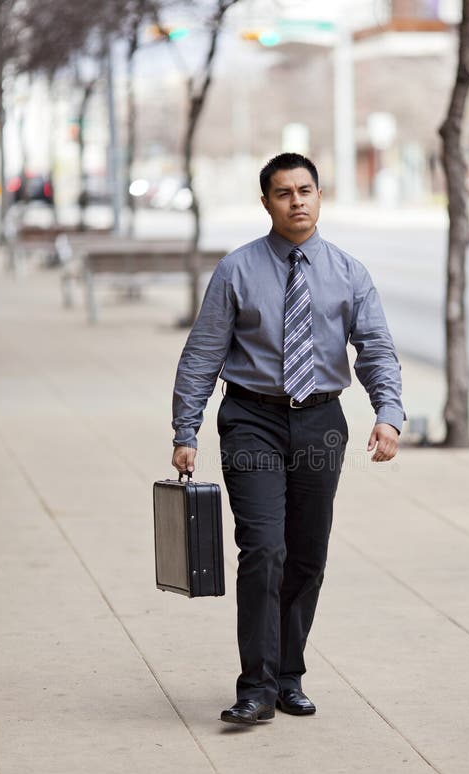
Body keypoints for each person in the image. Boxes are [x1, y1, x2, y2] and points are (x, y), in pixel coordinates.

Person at [172, 153, 404, 726]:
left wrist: (389, 414)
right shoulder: (237, 270)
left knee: (306, 554)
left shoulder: (349, 273)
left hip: (321, 422)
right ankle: (255, 687)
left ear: (319, 196)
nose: (296, 201)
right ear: (266, 203)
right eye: (283, 193)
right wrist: (186, 428)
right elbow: (202, 353)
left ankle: (288, 676)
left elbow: (375, 348)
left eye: (305, 190)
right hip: (252, 418)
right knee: (264, 549)